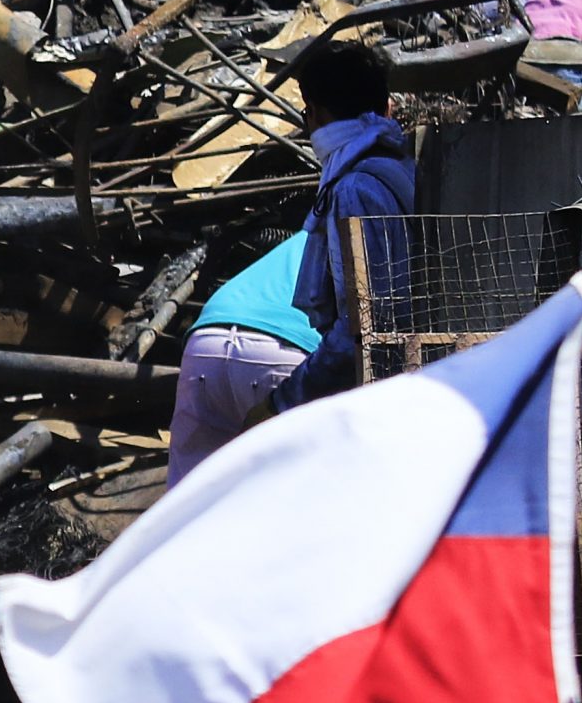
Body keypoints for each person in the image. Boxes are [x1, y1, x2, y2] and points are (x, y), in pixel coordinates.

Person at [266, 42, 415, 414]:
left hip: (383, 389)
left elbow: (362, 325)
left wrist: (284, 401)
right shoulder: (403, 164)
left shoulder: (353, 188)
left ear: (312, 114)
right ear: (387, 108)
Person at [165, 231, 318, 483]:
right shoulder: (372, 233)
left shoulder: (309, 233)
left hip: (206, 341)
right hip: (284, 350)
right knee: (290, 499)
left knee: (190, 496)